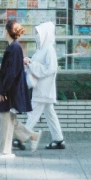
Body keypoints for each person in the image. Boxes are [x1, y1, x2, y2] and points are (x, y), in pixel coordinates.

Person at [0, 20, 41, 159]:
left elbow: (11, 73)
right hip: (12, 89)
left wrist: (3, 91)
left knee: (5, 120)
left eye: (3, 29)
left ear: (7, 31)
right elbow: (12, 71)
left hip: (10, 90)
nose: (2, 32)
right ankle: (32, 136)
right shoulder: (15, 47)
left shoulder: (13, 48)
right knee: (9, 119)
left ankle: (5, 151)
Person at [15, 21, 66, 150]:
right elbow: (39, 66)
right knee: (50, 114)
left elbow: (51, 68)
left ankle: (21, 138)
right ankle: (59, 139)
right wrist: (30, 62)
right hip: (43, 89)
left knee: (33, 113)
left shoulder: (48, 49)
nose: (36, 36)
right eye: (36, 33)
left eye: (38, 33)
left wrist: (31, 64)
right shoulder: (42, 49)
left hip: (43, 89)